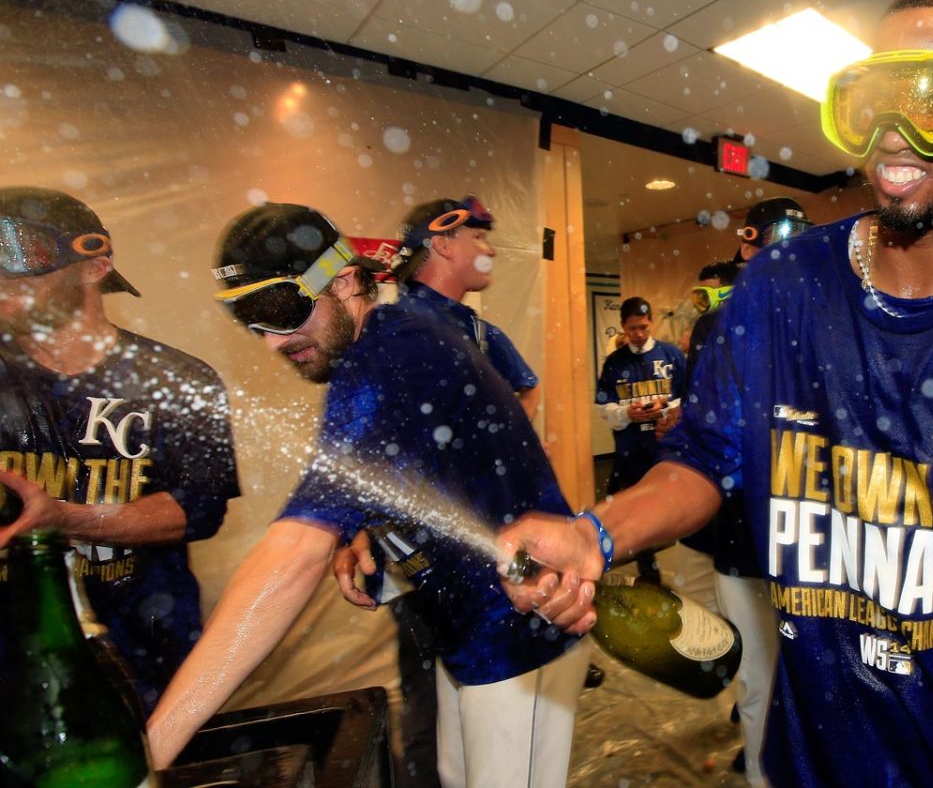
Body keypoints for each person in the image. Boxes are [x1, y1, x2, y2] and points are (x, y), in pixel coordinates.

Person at [498, 0, 933, 787]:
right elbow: (701, 457)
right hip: (815, 752)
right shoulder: (781, 287)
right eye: (874, 99)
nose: (894, 132)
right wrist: (598, 532)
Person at [147, 203, 590, 788]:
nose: (272, 342)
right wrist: (367, 530)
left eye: (280, 310)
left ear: (347, 279)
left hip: (521, 627)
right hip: (474, 626)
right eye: (249, 320)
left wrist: (150, 750)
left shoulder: (387, 360)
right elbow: (428, 468)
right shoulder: (385, 343)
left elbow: (289, 561)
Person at [330, 195, 595, 786]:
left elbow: (522, 393)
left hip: (496, 563)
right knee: (458, 733)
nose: (490, 247)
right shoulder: (400, 332)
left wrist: (501, 451)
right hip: (444, 570)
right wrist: (351, 528)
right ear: (443, 243)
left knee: (486, 743)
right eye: (477, 236)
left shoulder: (478, 328)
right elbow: (366, 455)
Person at [0, 186, 239, 713]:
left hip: (144, 656)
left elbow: (196, 510)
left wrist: (66, 518)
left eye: (20, 255)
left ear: (93, 264)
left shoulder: (176, 381)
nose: (4, 277)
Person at [685, 198, 811, 784]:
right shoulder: (721, 325)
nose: (778, 261)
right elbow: (707, 434)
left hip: (817, 537)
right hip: (746, 531)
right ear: (747, 248)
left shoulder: (834, 317)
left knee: (820, 680)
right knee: (760, 679)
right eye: (768, 248)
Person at [595, 296, 685, 583]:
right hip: (630, 452)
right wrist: (627, 412)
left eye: (644, 327)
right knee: (634, 514)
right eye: (633, 328)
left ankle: (677, 561)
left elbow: (690, 399)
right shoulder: (613, 363)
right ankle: (649, 571)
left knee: (673, 510)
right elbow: (602, 407)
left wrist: (667, 409)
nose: (639, 334)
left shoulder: (671, 357)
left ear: (651, 323)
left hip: (666, 450)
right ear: (622, 326)